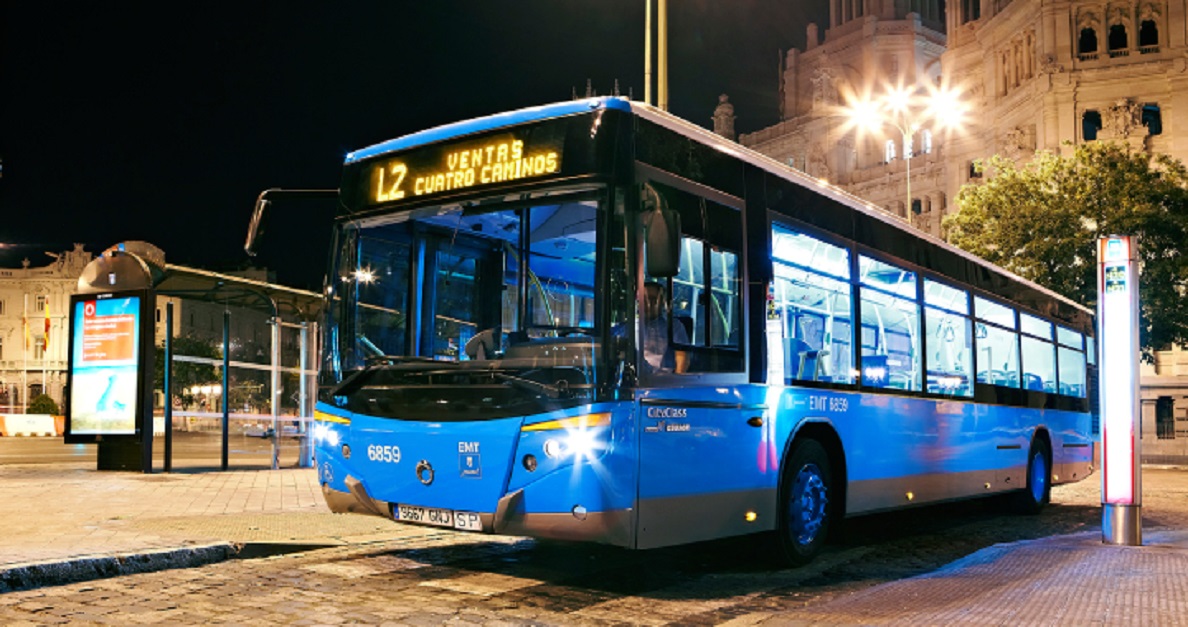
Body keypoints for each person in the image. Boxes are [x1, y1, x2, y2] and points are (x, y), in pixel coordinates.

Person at [642, 281, 690, 374]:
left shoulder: (674, 326)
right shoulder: (627, 327)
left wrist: (676, 384)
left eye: (652, 299)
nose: (648, 303)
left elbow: (682, 358)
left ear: (662, 302)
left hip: (664, 381)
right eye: (643, 299)